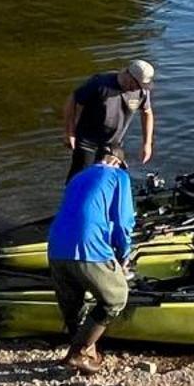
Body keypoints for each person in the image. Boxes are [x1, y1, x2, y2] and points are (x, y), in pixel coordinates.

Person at [47, 142, 133, 372]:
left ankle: (86, 354)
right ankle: (79, 353)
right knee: (115, 297)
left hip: (55, 246)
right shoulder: (119, 177)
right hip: (87, 246)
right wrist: (124, 254)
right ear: (118, 162)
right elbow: (123, 222)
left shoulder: (78, 177)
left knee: (74, 305)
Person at [64, 59, 154, 179]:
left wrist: (147, 144)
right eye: (136, 84)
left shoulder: (141, 92)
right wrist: (70, 132)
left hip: (114, 143)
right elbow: (74, 99)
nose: (137, 88)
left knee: (111, 177)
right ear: (128, 74)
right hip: (88, 142)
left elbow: (147, 113)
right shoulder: (100, 83)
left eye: (142, 86)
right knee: (80, 179)